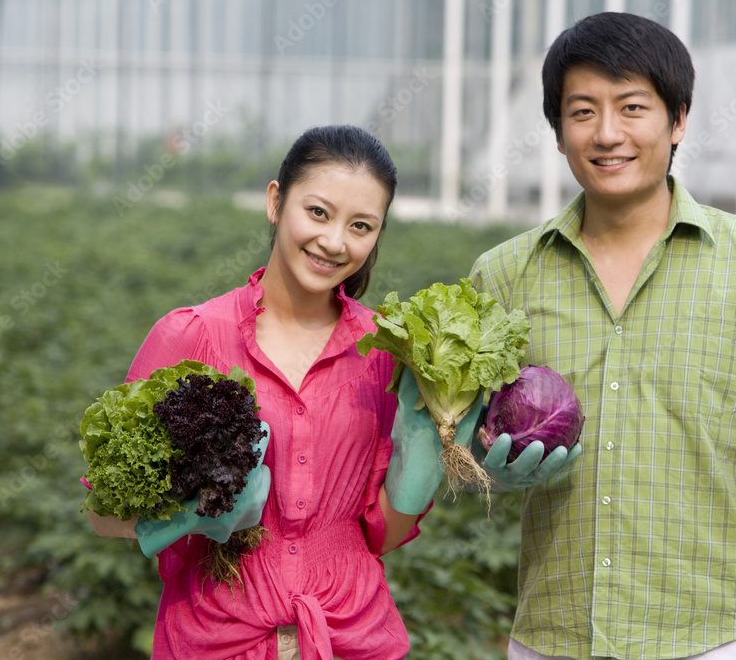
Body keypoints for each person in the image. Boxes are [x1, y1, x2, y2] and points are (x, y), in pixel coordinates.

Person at [468, 12, 736, 660]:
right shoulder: (505, 273)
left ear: (678, 119)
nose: (607, 134)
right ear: (557, 130)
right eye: (582, 112)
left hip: (716, 637)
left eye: (632, 107)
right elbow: (452, 448)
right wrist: (479, 466)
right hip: (555, 637)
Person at [86, 124, 480, 659]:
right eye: (317, 212)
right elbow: (102, 512)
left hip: (352, 639)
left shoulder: (388, 351)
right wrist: (191, 515)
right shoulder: (192, 336)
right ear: (276, 202)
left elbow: (380, 537)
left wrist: (422, 470)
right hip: (215, 640)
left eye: (361, 226)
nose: (334, 241)